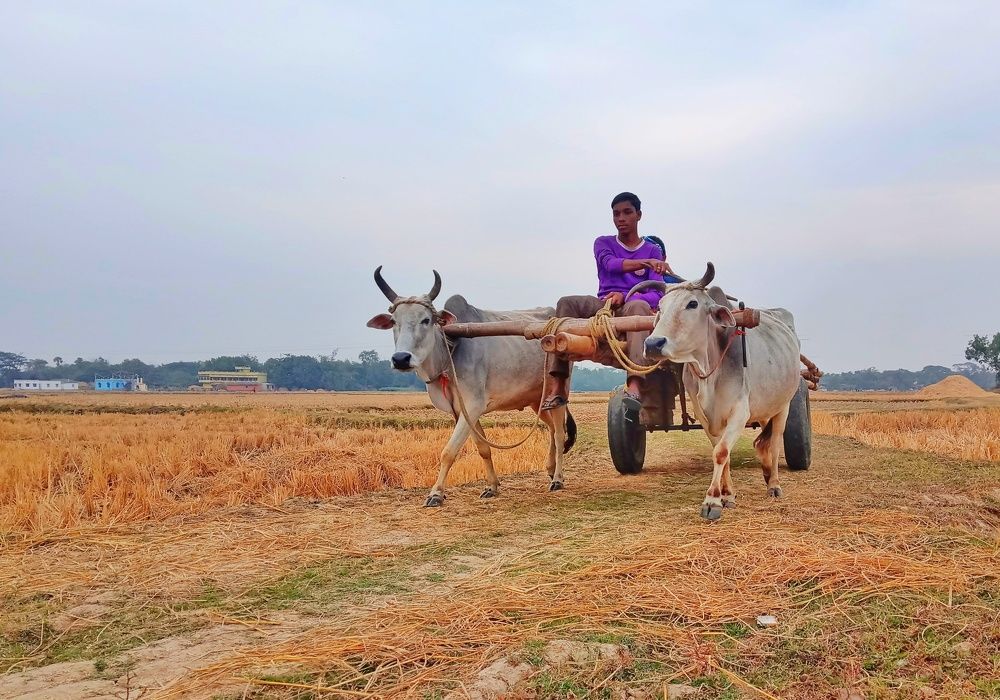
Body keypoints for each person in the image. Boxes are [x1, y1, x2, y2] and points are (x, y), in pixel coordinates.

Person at [541, 192, 677, 414]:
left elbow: (658, 293)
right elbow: (610, 264)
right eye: (616, 214)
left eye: (627, 212)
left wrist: (630, 297)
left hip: (632, 308)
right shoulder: (603, 243)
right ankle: (558, 386)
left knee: (638, 308)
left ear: (638, 215)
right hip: (602, 306)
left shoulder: (653, 250)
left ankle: (634, 385)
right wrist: (646, 263)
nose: (621, 218)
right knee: (565, 303)